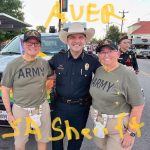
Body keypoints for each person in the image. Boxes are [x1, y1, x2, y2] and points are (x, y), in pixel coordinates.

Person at [48, 22, 100, 150]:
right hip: (59, 107)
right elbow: (40, 72)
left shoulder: (92, 60)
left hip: (81, 108)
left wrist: (126, 70)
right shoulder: (57, 58)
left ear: (85, 40)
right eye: (72, 37)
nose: (76, 41)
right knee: (57, 141)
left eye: (80, 37)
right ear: (67, 40)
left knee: (75, 142)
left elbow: (108, 73)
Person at [1, 30, 52, 150]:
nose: (33, 46)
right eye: (29, 43)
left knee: (43, 139)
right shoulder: (13, 65)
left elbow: (51, 76)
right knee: (20, 143)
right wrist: (8, 113)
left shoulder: (44, 63)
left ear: (40, 46)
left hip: (42, 107)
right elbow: (5, 89)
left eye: (36, 44)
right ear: (23, 44)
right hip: (21, 109)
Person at [89, 44, 145, 150]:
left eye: (110, 51)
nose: (106, 55)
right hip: (99, 123)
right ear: (99, 55)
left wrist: (131, 133)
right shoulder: (99, 70)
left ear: (118, 53)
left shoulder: (127, 74)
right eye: (102, 52)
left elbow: (138, 106)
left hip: (118, 128)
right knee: (102, 147)